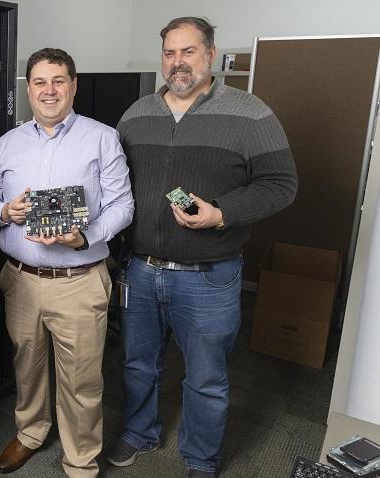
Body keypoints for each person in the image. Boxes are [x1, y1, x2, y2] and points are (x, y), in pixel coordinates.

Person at [107, 17, 298, 478]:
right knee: (136, 364)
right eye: (170, 53)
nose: (177, 63)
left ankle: (200, 459)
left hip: (210, 275)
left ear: (211, 54)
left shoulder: (251, 113)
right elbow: (113, 185)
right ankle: (140, 431)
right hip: (141, 269)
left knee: (207, 379)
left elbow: (282, 184)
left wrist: (222, 211)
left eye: (188, 52)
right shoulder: (136, 114)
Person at [0, 47, 134, 477]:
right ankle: (31, 432)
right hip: (21, 280)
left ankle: (81, 460)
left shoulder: (102, 138)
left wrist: (84, 236)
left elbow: (122, 205)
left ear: (73, 85)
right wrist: (3, 212)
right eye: (39, 82)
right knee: (26, 366)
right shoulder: (6, 144)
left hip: (79, 279)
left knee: (82, 380)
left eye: (58, 81)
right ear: (27, 88)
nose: (49, 90)